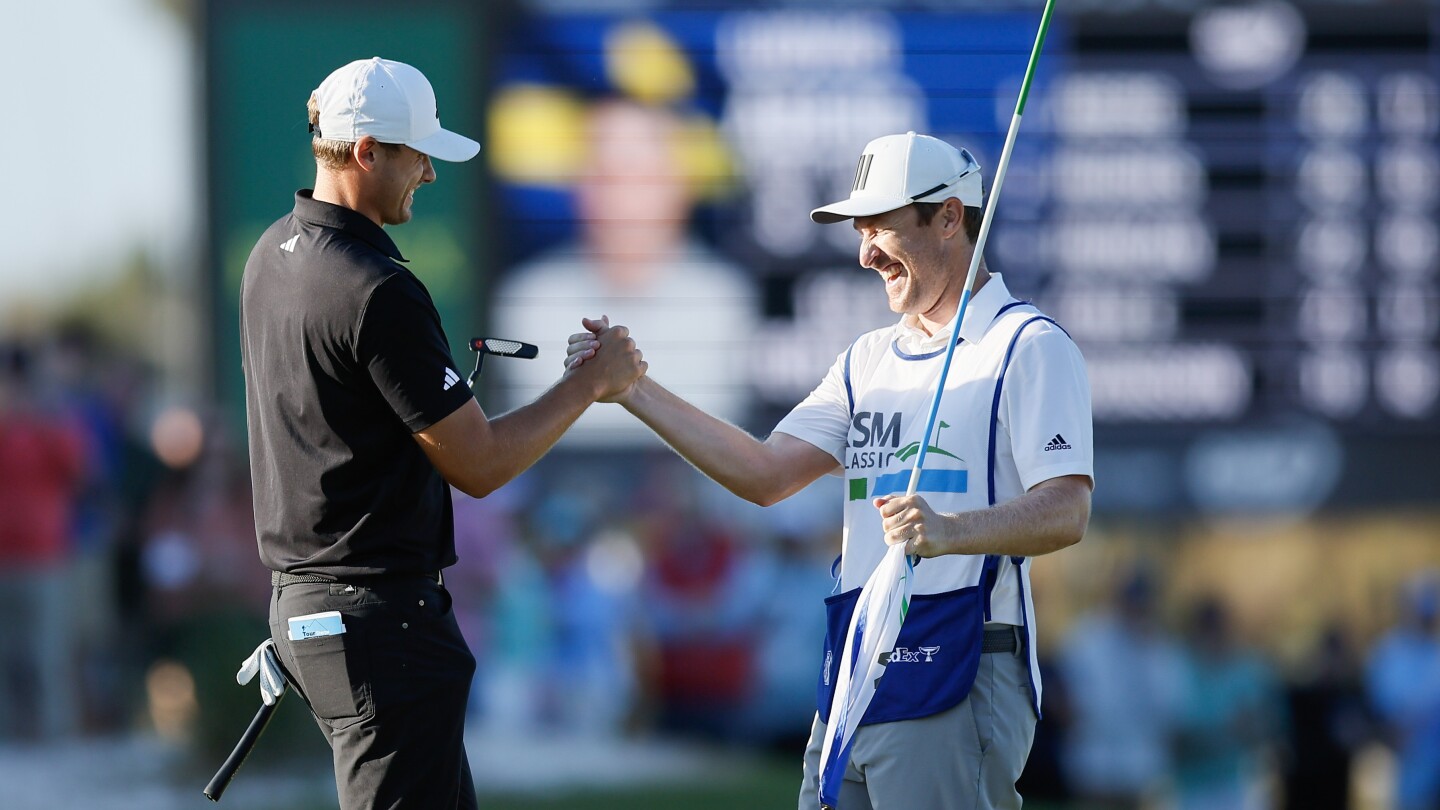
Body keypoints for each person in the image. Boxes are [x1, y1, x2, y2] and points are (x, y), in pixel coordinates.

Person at [568, 131, 1094, 809]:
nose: (865, 252)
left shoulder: (1028, 344)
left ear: (949, 217)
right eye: (860, 230)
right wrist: (634, 389)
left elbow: (1066, 509)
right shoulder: (865, 359)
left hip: (959, 657)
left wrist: (952, 529)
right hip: (854, 665)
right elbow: (764, 473)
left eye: (880, 227)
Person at [238, 57, 645, 810]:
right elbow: (481, 464)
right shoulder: (377, 289)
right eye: (416, 152)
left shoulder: (271, 255)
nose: (428, 171)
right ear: (366, 152)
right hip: (377, 627)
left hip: (313, 610)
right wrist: (591, 384)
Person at [491, 97, 758, 446]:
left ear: (681, 185)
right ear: (578, 188)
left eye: (641, 178)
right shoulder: (525, 301)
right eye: (606, 178)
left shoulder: (729, 303)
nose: (622, 200)